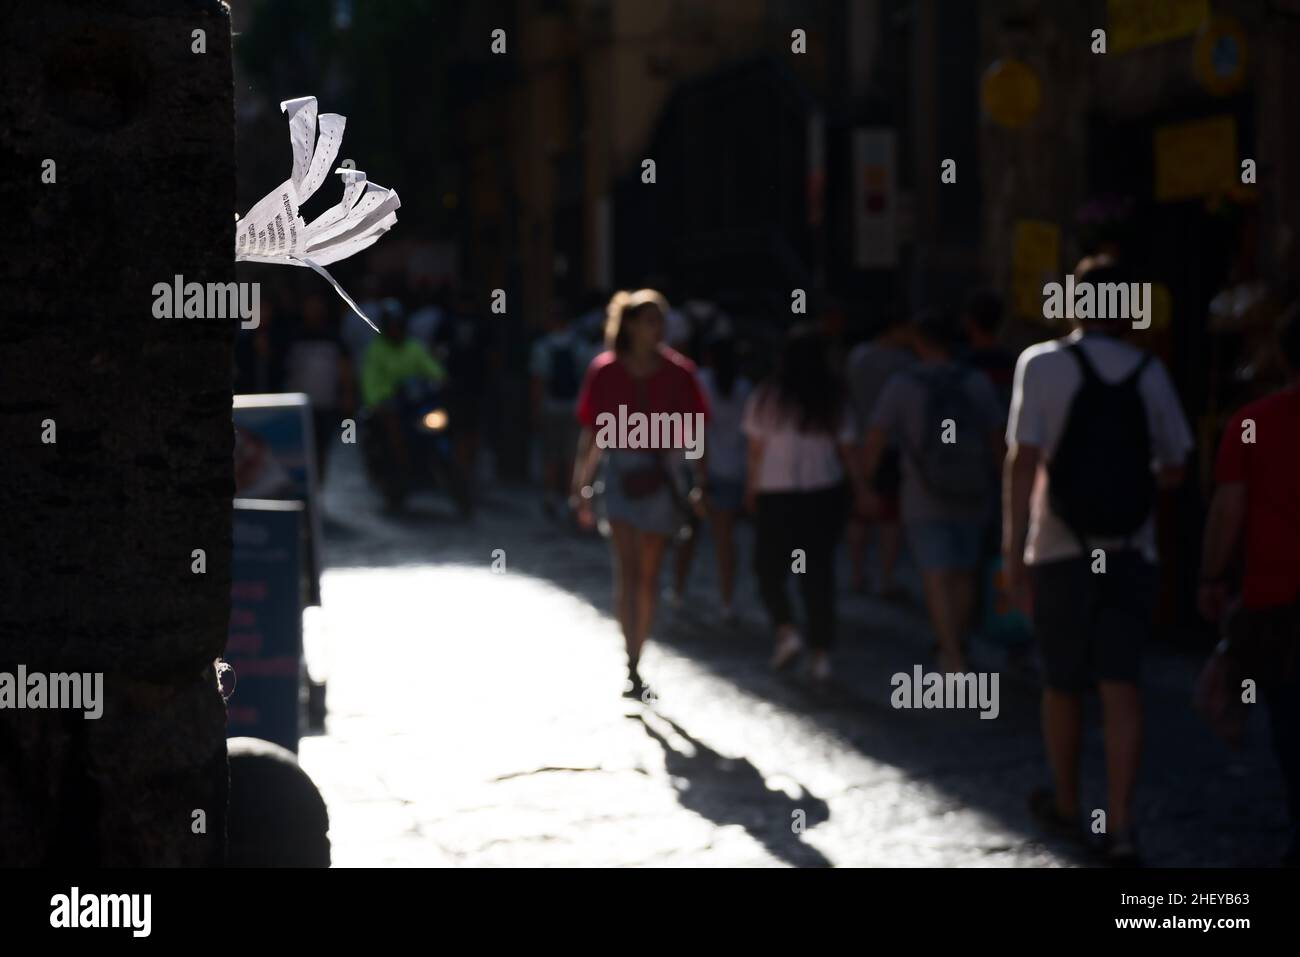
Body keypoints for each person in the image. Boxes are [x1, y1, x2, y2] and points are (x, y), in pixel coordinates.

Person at [1003, 255, 1192, 864]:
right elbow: (1176, 466)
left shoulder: (1042, 364)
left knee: (1062, 684)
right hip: (1130, 551)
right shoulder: (1149, 371)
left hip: (1061, 549)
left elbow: (1023, 459)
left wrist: (1013, 551)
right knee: (1121, 686)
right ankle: (1123, 824)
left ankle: (1065, 800)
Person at [1198, 305, 1300, 865]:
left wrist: (1212, 577)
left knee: (1291, 724)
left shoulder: (1253, 422)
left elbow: (1227, 511)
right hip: (1277, 603)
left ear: (1283, 356)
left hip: (1279, 603)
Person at [571, 290, 709, 699]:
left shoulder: (680, 373)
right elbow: (593, 434)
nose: (658, 329)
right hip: (620, 474)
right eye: (650, 320)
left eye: (660, 321)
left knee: (647, 576)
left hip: (661, 476)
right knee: (626, 573)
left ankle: (638, 658)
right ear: (630, 324)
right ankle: (630, 661)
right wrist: (581, 486)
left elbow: (695, 432)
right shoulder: (605, 370)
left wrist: (699, 480)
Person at [863, 310, 1004, 674]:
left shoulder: (903, 384)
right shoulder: (977, 382)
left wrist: (865, 480)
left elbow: (877, 435)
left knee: (935, 572)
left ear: (920, 343)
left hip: (924, 492)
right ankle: (957, 640)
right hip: (974, 489)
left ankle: (950, 652)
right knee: (965, 571)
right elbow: (997, 440)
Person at [744, 324, 866, 683]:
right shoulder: (833, 398)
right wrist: (860, 489)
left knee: (768, 568)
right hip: (822, 493)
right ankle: (819, 651)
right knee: (818, 573)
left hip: (777, 492)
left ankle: (786, 628)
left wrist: (751, 489)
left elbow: (755, 451)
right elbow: (847, 450)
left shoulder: (768, 396)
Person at [669, 334, 753, 621]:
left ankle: (678, 591)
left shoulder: (698, 381)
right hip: (733, 470)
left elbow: (695, 430)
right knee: (725, 541)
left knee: (688, 536)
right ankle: (726, 601)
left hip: (698, 469)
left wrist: (698, 474)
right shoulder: (743, 388)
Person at [845, 310, 916, 598]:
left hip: (857, 441)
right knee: (889, 516)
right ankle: (885, 578)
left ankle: (856, 574)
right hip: (891, 445)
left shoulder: (857, 356)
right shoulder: (905, 363)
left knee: (859, 514)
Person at [361, 299, 448, 468]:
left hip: (414, 401)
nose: (395, 329)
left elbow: (430, 366)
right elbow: (369, 381)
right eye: (392, 325)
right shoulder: (376, 350)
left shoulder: (413, 346)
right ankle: (400, 465)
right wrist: (374, 401)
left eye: (398, 324)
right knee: (393, 430)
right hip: (389, 403)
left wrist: (441, 378)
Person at [281, 291, 356, 482]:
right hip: (299, 405)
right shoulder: (293, 335)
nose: (313, 309)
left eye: (317, 305)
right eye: (309, 305)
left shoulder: (334, 336)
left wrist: (347, 394)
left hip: (326, 402)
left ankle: (318, 487)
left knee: (322, 448)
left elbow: (344, 366)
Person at [530, 298, 590, 518]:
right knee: (572, 455)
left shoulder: (543, 346)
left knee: (551, 455)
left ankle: (551, 496)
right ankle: (569, 497)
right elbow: (587, 379)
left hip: (551, 407)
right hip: (575, 408)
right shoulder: (580, 345)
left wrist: (535, 410)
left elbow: (538, 381)